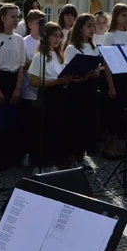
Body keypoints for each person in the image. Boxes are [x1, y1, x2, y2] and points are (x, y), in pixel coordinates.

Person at [0, 3, 26, 169]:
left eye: (17, 16)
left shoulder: (19, 40)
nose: (16, 20)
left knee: (12, 120)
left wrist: (17, 87)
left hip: (13, 79)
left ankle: (9, 156)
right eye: (12, 16)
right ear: (3, 18)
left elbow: (21, 65)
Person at [28, 22, 73, 172]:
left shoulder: (60, 56)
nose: (58, 39)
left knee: (57, 130)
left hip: (60, 96)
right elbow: (34, 81)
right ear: (46, 37)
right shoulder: (39, 57)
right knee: (45, 130)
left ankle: (53, 161)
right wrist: (57, 82)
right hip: (47, 96)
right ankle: (42, 163)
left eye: (60, 36)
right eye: (54, 36)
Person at [63, 13, 101, 170]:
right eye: (89, 26)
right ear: (80, 28)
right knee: (75, 124)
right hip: (76, 91)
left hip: (90, 89)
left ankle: (82, 156)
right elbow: (67, 71)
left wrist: (94, 73)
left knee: (87, 124)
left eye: (94, 26)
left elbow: (99, 69)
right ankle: (71, 158)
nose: (93, 29)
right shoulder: (72, 48)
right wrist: (80, 76)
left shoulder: (94, 47)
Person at [100, 3, 127, 160]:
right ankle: (107, 147)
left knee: (121, 114)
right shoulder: (110, 35)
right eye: (123, 15)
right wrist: (111, 85)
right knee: (111, 114)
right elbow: (106, 62)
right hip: (114, 77)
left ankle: (114, 147)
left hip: (126, 77)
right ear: (116, 17)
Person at [20, 9, 46, 168]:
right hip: (28, 90)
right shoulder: (24, 42)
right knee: (29, 126)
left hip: (44, 91)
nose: (41, 26)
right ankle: (27, 153)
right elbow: (21, 65)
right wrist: (35, 60)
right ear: (30, 24)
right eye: (38, 23)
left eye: (43, 22)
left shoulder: (47, 41)